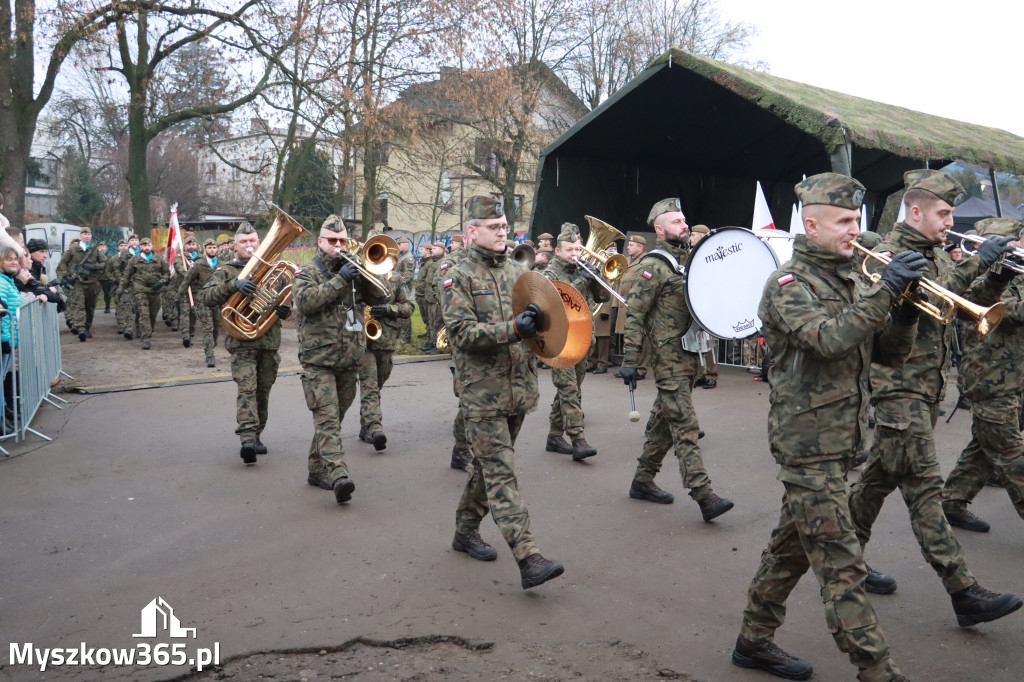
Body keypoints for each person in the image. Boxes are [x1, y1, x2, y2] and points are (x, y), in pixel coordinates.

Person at [732, 173, 922, 682]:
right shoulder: (789, 284)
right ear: (811, 226)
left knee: (791, 550)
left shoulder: (852, 278)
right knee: (842, 563)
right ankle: (876, 668)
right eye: (844, 222)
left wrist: (903, 308)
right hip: (807, 444)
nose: (854, 231)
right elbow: (828, 340)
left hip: (841, 440)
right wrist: (885, 292)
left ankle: (753, 640)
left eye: (857, 220)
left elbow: (888, 354)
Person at [847, 169, 1023, 627]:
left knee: (874, 484)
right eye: (943, 213)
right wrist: (977, 260)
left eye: (951, 214)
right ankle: (964, 591)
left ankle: (844, 560)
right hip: (897, 388)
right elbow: (885, 320)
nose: (950, 222)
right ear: (917, 211)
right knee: (926, 492)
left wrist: (997, 275)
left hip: (925, 389)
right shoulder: (892, 254)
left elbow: (963, 309)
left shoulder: (934, 254)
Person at [442, 195, 564, 590]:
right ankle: (529, 557)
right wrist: (514, 329)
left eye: (504, 225)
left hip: (519, 391)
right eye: (493, 227)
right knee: (501, 473)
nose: (502, 232)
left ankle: (464, 532)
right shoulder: (456, 274)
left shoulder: (520, 273)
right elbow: (460, 334)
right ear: (470, 231)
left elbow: (542, 324)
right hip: (482, 395)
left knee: (487, 468)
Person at [619, 198, 733, 521]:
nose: (684, 225)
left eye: (685, 220)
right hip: (668, 360)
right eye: (676, 221)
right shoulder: (653, 266)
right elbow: (635, 315)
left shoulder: (689, 262)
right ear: (659, 229)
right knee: (685, 425)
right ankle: (704, 494)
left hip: (691, 357)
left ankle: (642, 480)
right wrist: (630, 361)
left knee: (663, 428)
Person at [292, 216, 387, 501]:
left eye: (342, 241)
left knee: (334, 417)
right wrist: (339, 279)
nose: (337, 245)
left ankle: (315, 468)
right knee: (328, 419)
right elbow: (306, 302)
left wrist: (365, 274)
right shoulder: (307, 271)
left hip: (349, 359)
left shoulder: (353, 268)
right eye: (331, 241)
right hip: (318, 360)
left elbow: (382, 297)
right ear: (320, 242)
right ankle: (338, 474)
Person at [942, 218, 1024, 533]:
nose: (1017, 246)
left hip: (1013, 378)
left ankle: (952, 502)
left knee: (984, 448)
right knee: (1011, 454)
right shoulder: (986, 278)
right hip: (989, 379)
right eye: (1012, 241)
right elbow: (1005, 312)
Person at [201, 223, 286, 464]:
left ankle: (256, 436)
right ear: (234, 246)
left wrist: (283, 308)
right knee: (247, 389)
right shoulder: (226, 270)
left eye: (253, 241)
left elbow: (285, 295)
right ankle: (247, 438)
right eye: (244, 242)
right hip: (241, 343)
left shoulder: (272, 269)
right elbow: (205, 297)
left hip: (269, 342)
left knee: (263, 392)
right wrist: (233, 285)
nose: (249, 246)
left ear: (259, 243)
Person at [543, 223, 609, 460]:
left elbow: (603, 296)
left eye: (578, 250)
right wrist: (581, 280)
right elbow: (559, 301)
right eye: (569, 250)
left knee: (571, 389)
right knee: (569, 390)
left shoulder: (581, 269)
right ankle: (578, 439)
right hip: (560, 340)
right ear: (558, 251)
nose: (575, 254)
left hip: (583, 339)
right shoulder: (550, 274)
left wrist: (596, 276)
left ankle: (554, 436)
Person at [358, 237, 414, 450]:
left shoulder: (395, 278)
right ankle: (375, 428)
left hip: (386, 340)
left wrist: (389, 309)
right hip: (363, 341)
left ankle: (365, 425)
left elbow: (408, 308)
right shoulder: (358, 277)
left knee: (377, 384)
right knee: (370, 385)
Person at [118, 237, 169, 350]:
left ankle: (146, 331)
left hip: (155, 291)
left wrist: (160, 283)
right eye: (144, 245)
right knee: (144, 314)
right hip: (140, 290)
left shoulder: (159, 259)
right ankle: (146, 339)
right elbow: (126, 276)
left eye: (149, 245)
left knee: (152, 315)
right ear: (140, 247)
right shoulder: (134, 260)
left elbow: (166, 274)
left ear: (151, 246)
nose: (147, 247)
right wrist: (120, 290)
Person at [56, 227, 105, 341]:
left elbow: (104, 262)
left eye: (89, 234)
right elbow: (62, 263)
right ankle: (81, 328)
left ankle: (87, 327)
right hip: (78, 282)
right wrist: (65, 276)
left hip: (92, 282)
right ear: (80, 235)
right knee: (79, 305)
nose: (87, 236)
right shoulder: (73, 249)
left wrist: (95, 267)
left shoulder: (94, 249)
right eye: (85, 234)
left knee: (90, 307)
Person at [686, 225, 719, 389]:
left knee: (709, 341)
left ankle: (711, 375)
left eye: (693, 234)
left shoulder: (710, 253)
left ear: (701, 236)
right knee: (696, 339)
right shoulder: (689, 254)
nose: (689, 237)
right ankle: (700, 373)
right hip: (693, 301)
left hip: (707, 302)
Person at [180, 238, 222, 367]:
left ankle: (212, 344)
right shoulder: (199, 264)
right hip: (204, 300)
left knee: (216, 327)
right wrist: (180, 294)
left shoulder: (223, 264)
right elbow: (187, 279)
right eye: (209, 248)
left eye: (214, 248)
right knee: (208, 327)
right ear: (205, 250)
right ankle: (209, 354)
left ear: (217, 249)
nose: (212, 250)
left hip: (218, 300)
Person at [614, 235, 649, 380]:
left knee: (641, 338)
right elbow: (620, 282)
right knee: (628, 337)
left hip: (639, 304)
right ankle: (627, 366)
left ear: (640, 247)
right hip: (624, 303)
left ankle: (641, 369)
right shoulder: (626, 261)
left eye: (631, 245)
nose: (628, 247)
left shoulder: (646, 261)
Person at [112, 235, 140, 338]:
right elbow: (116, 268)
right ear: (129, 243)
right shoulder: (123, 255)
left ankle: (139, 328)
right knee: (128, 307)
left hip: (141, 285)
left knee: (140, 308)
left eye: (136, 240)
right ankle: (129, 329)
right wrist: (121, 280)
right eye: (132, 240)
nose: (134, 242)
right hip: (128, 286)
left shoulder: (143, 253)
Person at [414, 242, 436, 349]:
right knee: (424, 316)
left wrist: (422, 290)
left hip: (425, 294)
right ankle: (428, 334)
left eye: (422, 249)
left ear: (428, 250)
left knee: (429, 317)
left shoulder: (430, 263)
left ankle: (430, 338)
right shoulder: (424, 262)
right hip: (420, 293)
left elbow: (429, 281)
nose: (420, 251)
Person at [395, 236, 416, 344]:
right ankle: (399, 334)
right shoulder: (401, 256)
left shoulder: (408, 258)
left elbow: (408, 275)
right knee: (398, 310)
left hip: (404, 288)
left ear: (405, 245)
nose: (398, 246)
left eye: (399, 244)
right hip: (399, 288)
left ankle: (406, 337)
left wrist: (398, 281)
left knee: (405, 312)